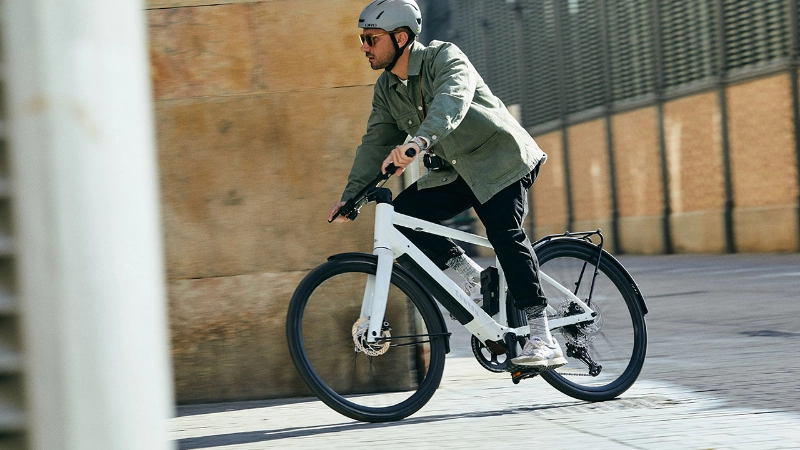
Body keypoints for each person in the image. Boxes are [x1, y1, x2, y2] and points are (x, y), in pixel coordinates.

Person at [328, 0, 566, 370]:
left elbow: (451, 101)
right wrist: (351, 197)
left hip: (501, 161)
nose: (364, 47)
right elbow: (374, 144)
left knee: (503, 233)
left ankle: (543, 336)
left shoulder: (445, 58)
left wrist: (418, 142)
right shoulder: (387, 88)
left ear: (401, 38)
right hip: (457, 172)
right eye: (363, 39)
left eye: (371, 39)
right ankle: (475, 279)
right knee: (404, 215)